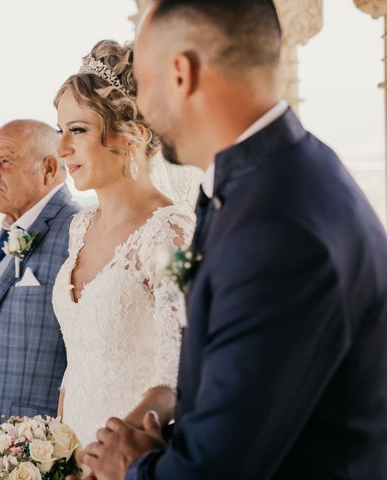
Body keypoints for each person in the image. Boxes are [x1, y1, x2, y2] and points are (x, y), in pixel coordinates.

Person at [81, 1, 387, 479]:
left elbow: (220, 469)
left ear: (181, 74)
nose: (139, 105)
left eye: (142, 80)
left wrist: (134, 466)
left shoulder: (276, 228)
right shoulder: (278, 174)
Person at [52, 40, 194, 448]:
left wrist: (106, 454)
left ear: (132, 135)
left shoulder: (169, 232)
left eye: (77, 130)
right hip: (72, 446)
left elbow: (177, 372)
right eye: (60, 131)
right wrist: (54, 448)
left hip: (129, 455)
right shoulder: (79, 229)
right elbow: (78, 359)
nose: (62, 148)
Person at [0, 119, 80, 479]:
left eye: (4, 162)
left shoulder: (77, 231)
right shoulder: (12, 227)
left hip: (28, 455)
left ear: (49, 168)